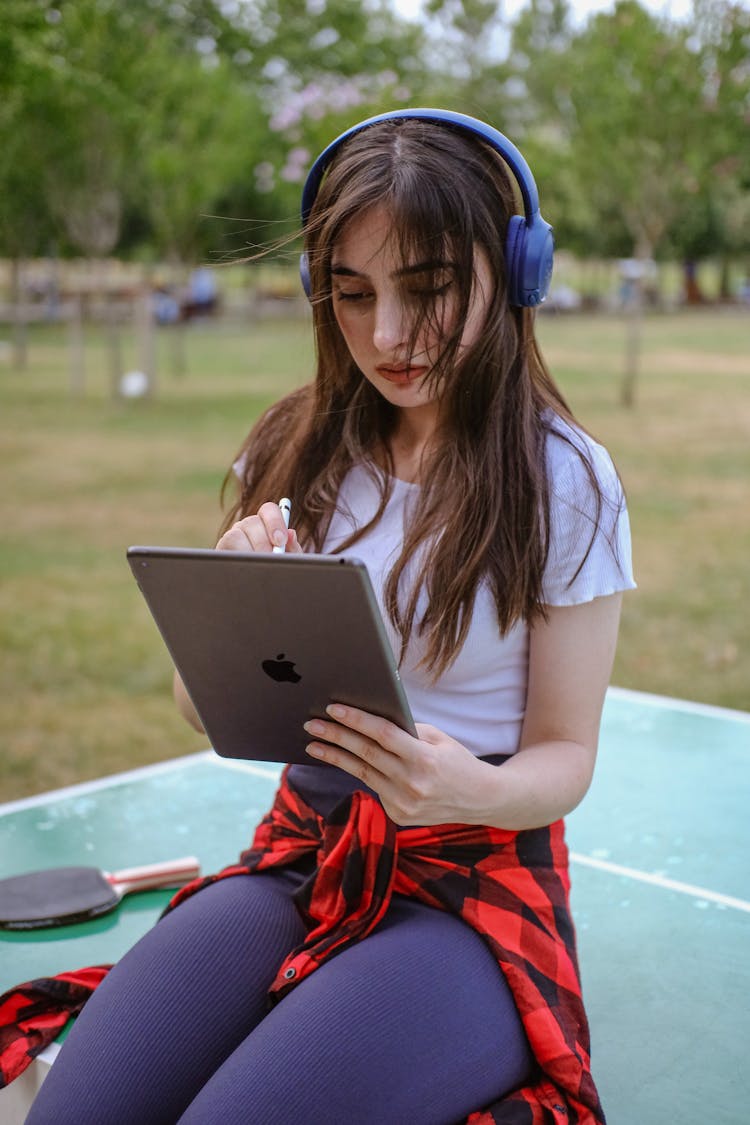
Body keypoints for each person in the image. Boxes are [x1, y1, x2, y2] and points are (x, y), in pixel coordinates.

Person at [22, 109, 635, 1124]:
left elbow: (565, 762)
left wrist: (459, 787)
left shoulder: (565, 479)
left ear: (514, 271)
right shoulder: (296, 450)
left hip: (470, 888)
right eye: (352, 295)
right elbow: (203, 711)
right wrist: (231, 600)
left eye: (427, 289)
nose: (387, 335)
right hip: (298, 853)